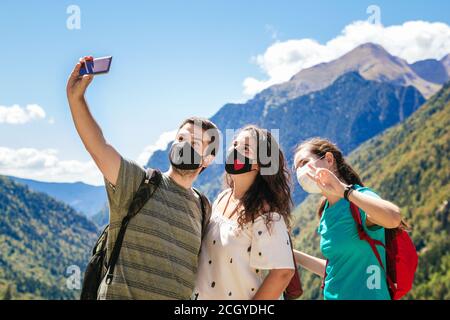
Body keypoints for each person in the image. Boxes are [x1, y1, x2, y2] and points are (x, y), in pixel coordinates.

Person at [66, 57, 220, 299]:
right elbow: (98, 146)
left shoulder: (203, 208)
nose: (184, 146)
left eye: (194, 143)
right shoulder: (139, 182)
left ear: (208, 159)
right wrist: (76, 99)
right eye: (180, 139)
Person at [292, 137, 404, 300]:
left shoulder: (359, 199)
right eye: (296, 169)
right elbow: (337, 269)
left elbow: (393, 218)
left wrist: (345, 191)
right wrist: (292, 254)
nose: (300, 172)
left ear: (329, 159)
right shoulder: (326, 212)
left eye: (304, 162)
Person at [193, 125, 295, 300]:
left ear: (259, 164)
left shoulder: (266, 213)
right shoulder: (222, 199)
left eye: (245, 148)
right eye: (234, 144)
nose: (235, 150)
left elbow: (283, 272)